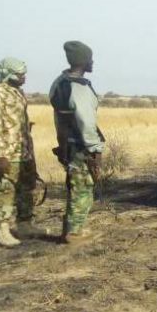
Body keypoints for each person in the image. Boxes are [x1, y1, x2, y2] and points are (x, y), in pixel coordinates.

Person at [50, 41, 104, 244]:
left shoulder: (60, 82)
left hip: (67, 143)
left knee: (74, 186)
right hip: (81, 146)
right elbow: (86, 122)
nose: (92, 62)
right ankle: (74, 234)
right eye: (90, 59)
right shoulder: (79, 88)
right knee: (83, 188)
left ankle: (70, 228)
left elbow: (61, 115)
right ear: (82, 61)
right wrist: (95, 149)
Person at [0, 58, 44, 246]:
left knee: (26, 188)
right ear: (8, 73)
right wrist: (0, 156)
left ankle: (25, 224)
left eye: (24, 74)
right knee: (6, 190)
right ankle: (2, 229)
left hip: (24, 150)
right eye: (19, 74)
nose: (23, 77)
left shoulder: (18, 92)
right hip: (8, 152)